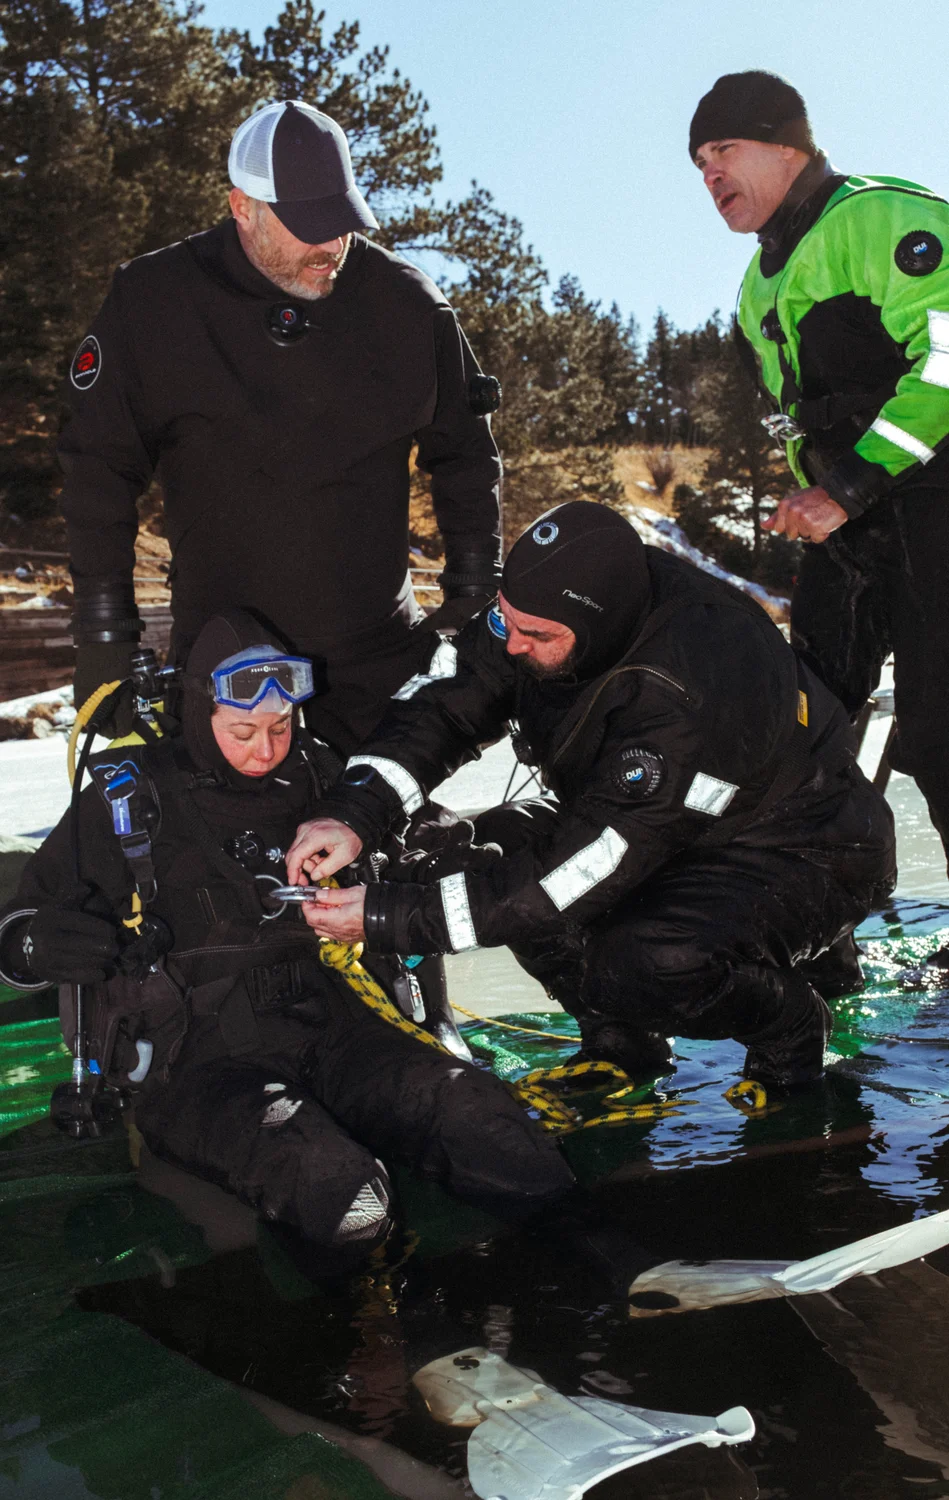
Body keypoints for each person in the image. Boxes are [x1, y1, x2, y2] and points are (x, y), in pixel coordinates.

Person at [0, 611, 573, 1266]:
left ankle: (602, 1279)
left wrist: (441, 853)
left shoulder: (319, 771)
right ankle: (370, 1352)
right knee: (335, 1186)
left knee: (485, 1119)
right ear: (197, 711)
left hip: (339, 1028)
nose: (264, 748)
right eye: (242, 730)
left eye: (278, 727)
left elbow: (402, 854)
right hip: (199, 1063)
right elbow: (19, 923)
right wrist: (34, 944)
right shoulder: (126, 795)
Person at [284, 501, 896, 1090]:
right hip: (671, 823)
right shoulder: (549, 605)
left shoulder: (692, 691)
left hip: (802, 847)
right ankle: (622, 1040)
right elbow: (447, 701)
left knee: (639, 963)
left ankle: (790, 1024)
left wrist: (389, 917)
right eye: (503, 619)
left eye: (536, 634)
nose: (513, 644)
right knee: (491, 849)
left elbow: (564, 881)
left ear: (598, 626)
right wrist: (353, 811)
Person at [59, 100, 502, 757]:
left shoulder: (407, 305)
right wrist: (104, 635)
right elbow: (98, 467)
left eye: (341, 221)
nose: (329, 246)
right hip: (225, 669)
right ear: (243, 207)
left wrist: (471, 599)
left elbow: (466, 457)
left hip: (377, 668)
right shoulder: (154, 302)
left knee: (385, 851)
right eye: (306, 225)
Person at [690, 70, 949, 865]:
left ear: (785, 144)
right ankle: (810, 925)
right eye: (698, 163)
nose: (708, 176)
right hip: (849, 539)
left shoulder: (878, 216)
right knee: (801, 725)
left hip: (933, 509)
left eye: (722, 150)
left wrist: (849, 484)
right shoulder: (750, 292)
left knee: (941, 733)